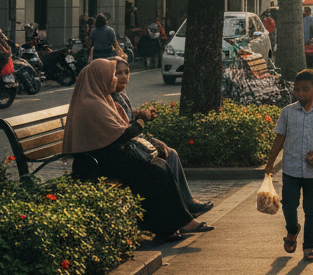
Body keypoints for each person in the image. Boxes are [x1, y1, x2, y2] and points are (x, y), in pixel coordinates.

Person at [64, 60, 213, 241]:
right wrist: (141, 122)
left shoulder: (102, 99)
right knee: (154, 172)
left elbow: (118, 132)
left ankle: (176, 223)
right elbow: (121, 135)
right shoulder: (91, 104)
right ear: (100, 78)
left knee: (159, 166)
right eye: (112, 74)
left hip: (109, 157)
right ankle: (170, 226)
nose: (115, 78)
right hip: (96, 164)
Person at [111, 57, 211, 216]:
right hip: (126, 151)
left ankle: (185, 204)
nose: (124, 77)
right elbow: (127, 130)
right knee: (167, 158)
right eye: (118, 73)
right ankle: (181, 208)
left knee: (171, 153)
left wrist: (142, 116)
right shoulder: (111, 99)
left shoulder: (121, 94)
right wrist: (147, 131)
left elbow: (130, 119)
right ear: (109, 76)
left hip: (134, 143)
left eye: (126, 72)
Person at [264, 69, 313, 261]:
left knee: (312, 210)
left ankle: (309, 246)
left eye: (305, 90)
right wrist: (270, 164)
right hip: (291, 169)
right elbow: (279, 139)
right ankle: (292, 229)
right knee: (289, 205)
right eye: (297, 90)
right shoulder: (288, 112)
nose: (300, 93)